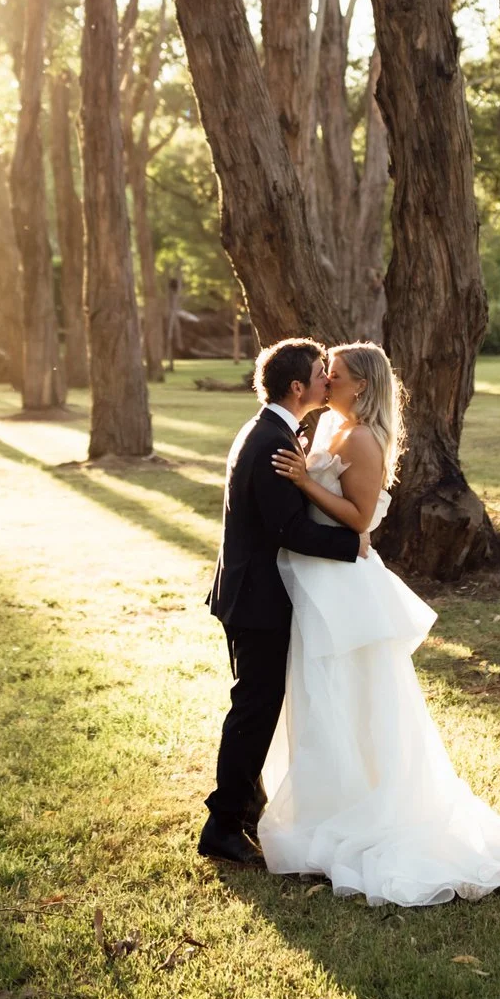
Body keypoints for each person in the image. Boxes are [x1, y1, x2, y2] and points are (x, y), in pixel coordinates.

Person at [258, 341, 500, 906]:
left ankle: (371, 809)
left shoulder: (363, 439)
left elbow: (360, 519)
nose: (325, 382)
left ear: (360, 386)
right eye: (324, 374)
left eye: (335, 375)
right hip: (314, 577)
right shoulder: (328, 429)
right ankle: (327, 802)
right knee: (321, 697)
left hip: (343, 584)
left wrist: (303, 482)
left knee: (353, 695)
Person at [198, 337, 363, 866]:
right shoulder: (271, 439)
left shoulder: (269, 428)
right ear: (298, 387)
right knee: (254, 710)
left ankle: (246, 808)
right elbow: (287, 528)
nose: (327, 380)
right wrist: (351, 544)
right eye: (321, 372)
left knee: (256, 706)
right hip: (257, 600)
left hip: (248, 592)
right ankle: (221, 826)